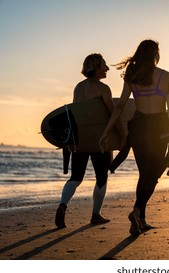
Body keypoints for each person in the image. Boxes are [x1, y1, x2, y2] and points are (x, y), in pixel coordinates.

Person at [99, 39, 169, 236]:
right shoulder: (166, 76)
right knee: (152, 175)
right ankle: (137, 211)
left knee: (144, 173)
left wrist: (106, 131)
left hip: (137, 128)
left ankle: (142, 219)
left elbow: (120, 106)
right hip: (159, 129)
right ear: (156, 54)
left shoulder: (132, 75)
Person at [55, 53, 124, 229]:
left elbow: (76, 115)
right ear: (96, 67)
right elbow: (112, 114)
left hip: (80, 139)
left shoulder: (78, 87)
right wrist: (123, 136)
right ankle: (95, 215)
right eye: (104, 65)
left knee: (76, 177)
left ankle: (62, 205)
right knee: (101, 177)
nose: (107, 68)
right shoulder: (103, 88)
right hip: (99, 140)